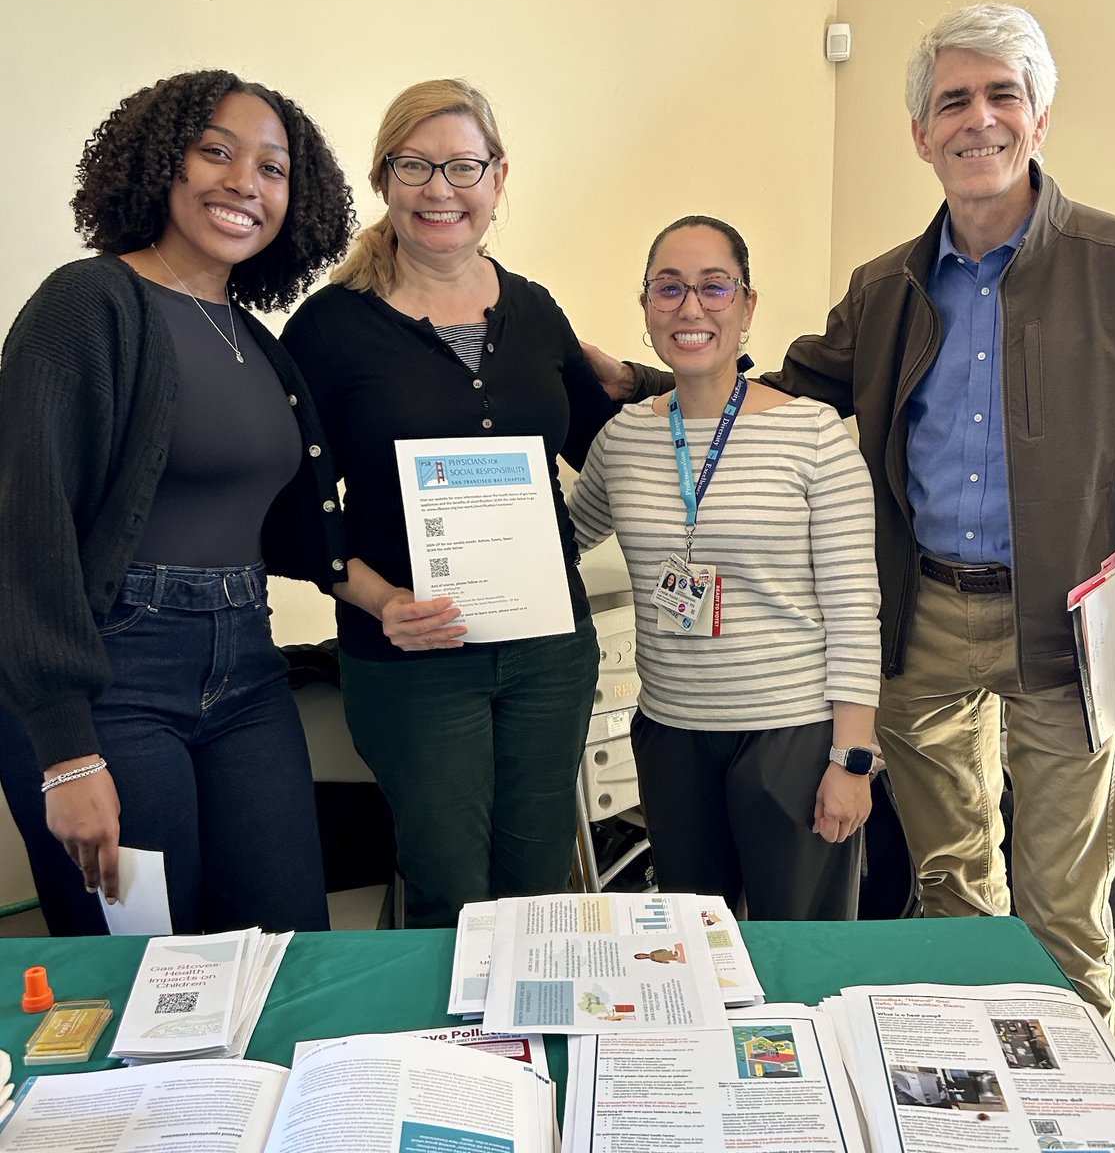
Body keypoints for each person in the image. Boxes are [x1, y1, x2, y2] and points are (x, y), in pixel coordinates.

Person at [585, 5, 1115, 1018]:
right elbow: (783, 391)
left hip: (1069, 621)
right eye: (950, 100)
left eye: (1001, 95)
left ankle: (1071, 1076)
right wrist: (656, 383)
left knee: (1063, 899)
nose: (977, 119)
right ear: (920, 134)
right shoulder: (885, 288)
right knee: (952, 877)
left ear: (1038, 118)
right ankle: (971, 1065)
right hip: (922, 621)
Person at [0, 70, 355, 935]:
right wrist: (65, 754)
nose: (245, 183)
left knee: (286, 943)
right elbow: (24, 532)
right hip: (111, 680)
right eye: (216, 153)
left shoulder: (253, 339)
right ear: (160, 164)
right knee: (147, 973)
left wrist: (381, 593)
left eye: (272, 169)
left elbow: (285, 531)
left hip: (247, 671)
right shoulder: (86, 305)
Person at [282, 79, 615, 928]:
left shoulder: (535, 310)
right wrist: (380, 601)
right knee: (449, 884)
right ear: (384, 178)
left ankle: (540, 1051)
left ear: (498, 178)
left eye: (463, 166)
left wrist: (695, 379)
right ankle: (455, 1058)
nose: (440, 190)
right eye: (415, 166)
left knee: (541, 877)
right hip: (413, 658)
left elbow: (608, 447)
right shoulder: (330, 328)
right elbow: (289, 505)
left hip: (547, 651)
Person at [569, 216, 881, 920]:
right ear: (646, 307)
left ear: (746, 306)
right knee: (691, 948)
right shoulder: (623, 439)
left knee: (800, 954)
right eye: (668, 288)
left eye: (714, 287)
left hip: (792, 738)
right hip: (672, 735)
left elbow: (854, 608)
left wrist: (852, 758)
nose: (691, 307)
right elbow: (563, 539)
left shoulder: (812, 435)